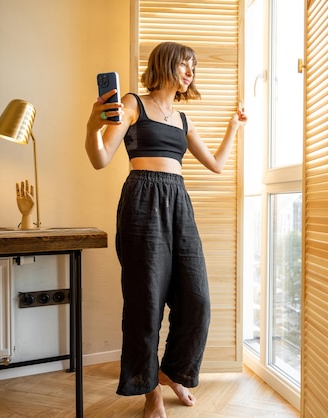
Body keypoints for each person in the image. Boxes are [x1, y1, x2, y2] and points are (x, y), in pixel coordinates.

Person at [84, 41, 247, 418]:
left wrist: (233, 128)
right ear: (165, 64)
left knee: (197, 299)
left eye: (193, 67)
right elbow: (100, 158)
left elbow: (217, 165)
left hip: (179, 203)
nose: (190, 72)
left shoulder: (182, 120)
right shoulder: (132, 104)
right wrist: (93, 126)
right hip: (142, 199)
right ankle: (150, 391)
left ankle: (171, 371)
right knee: (146, 303)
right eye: (184, 64)